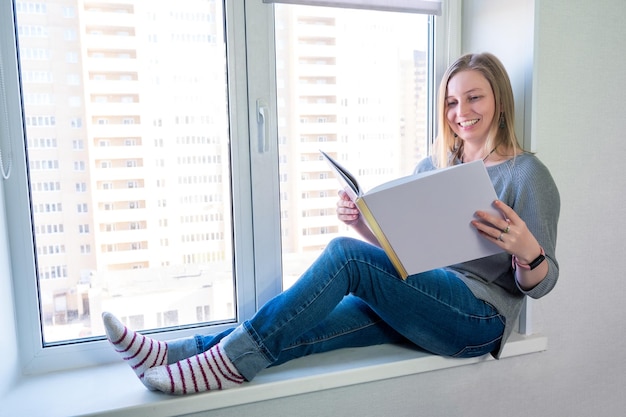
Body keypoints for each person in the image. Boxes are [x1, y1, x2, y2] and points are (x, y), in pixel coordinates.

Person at [102, 52, 560, 395]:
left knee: (344, 255)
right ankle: (174, 353)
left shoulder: (526, 174)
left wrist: (527, 253)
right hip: (424, 296)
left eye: (474, 97)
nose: (461, 112)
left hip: (479, 318)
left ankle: (232, 363)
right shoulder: (434, 167)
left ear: (499, 99)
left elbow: (541, 283)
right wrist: (366, 226)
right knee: (309, 327)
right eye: (451, 102)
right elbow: (406, 255)